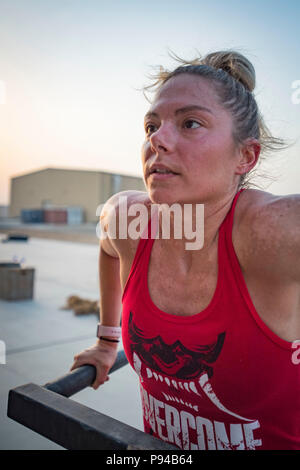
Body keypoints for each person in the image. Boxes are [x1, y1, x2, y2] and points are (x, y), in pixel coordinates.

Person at [70, 50, 300, 450]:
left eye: (190, 123)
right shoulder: (128, 218)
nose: (156, 140)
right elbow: (107, 250)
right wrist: (108, 341)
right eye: (151, 126)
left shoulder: (271, 230)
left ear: (246, 156)